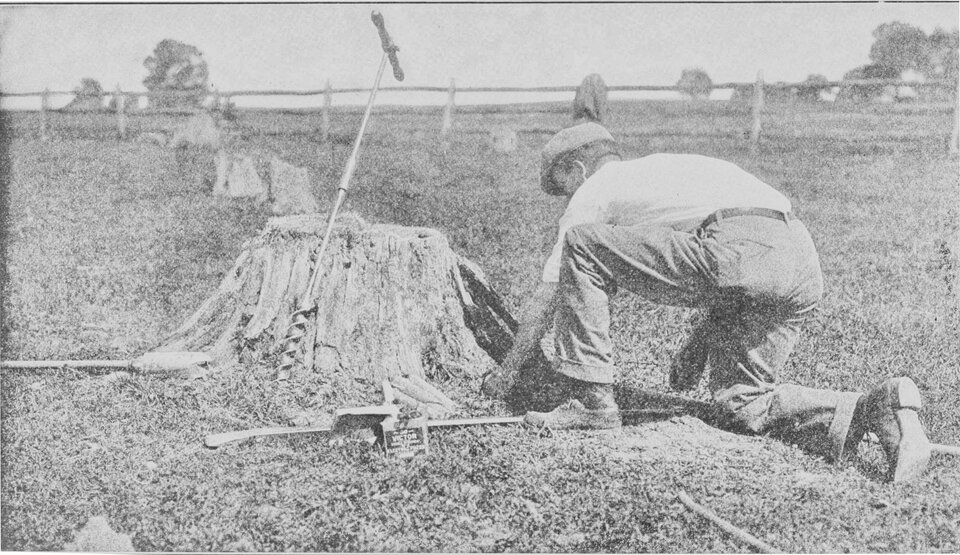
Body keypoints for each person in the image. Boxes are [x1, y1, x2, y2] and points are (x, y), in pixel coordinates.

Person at [481, 122, 932, 483]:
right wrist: (698, 344)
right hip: (800, 259)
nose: (565, 199)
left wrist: (507, 373)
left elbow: (550, 290)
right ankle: (878, 407)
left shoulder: (598, 187)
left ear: (578, 170)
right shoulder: (670, 171)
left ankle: (593, 402)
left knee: (581, 245)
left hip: (741, 251)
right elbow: (737, 274)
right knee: (743, 404)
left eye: (561, 188)